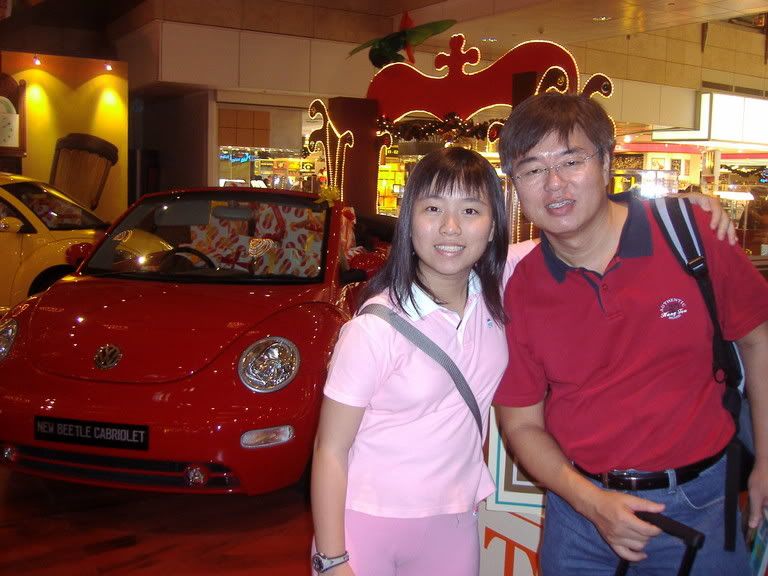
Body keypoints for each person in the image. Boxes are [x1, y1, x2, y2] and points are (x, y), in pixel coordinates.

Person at [493, 91, 768, 575]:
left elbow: (758, 342)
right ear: (515, 184)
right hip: (580, 515)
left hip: (700, 503)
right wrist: (592, 503)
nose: (554, 183)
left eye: (571, 161)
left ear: (606, 161)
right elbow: (521, 424)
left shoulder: (692, 234)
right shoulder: (523, 287)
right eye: (532, 169)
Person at [310, 146, 535, 575]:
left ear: (493, 226)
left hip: (454, 522)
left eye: (470, 210)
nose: (451, 227)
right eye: (433, 208)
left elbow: (576, 235)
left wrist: (667, 212)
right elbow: (330, 449)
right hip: (364, 524)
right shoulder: (374, 329)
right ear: (409, 221)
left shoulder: (496, 291)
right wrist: (333, 559)